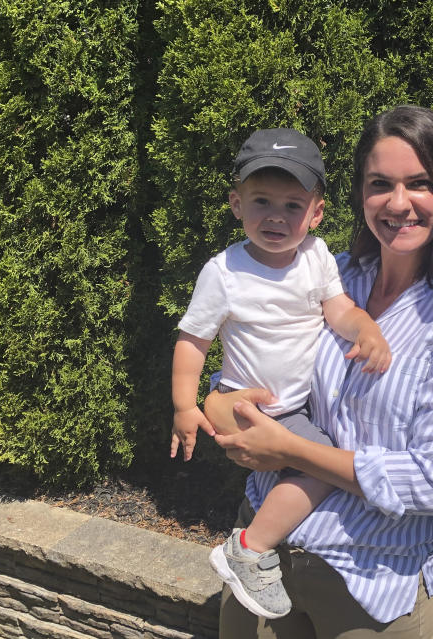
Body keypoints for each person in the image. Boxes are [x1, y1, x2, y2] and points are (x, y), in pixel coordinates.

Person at [204, 105, 433, 638]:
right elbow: (256, 358)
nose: (399, 202)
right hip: (263, 556)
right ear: (360, 194)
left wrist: (292, 451)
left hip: (370, 585)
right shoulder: (330, 275)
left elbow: (431, 484)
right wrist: (219, 401)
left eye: (421, 183)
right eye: (380, 183)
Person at [171, 127, 391, 619]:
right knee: (326, 465)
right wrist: (186, 406)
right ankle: (250, 548)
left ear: (316, 213)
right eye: (261, 201)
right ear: (235, 203)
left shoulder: (315, 257)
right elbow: (193, 341)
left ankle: (259, 542)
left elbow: (338, 308)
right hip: (246, 403)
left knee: (315, 464)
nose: (276, 216)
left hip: (292, 406)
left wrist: (366, 328)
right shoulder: (223, 272)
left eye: (293, 206)